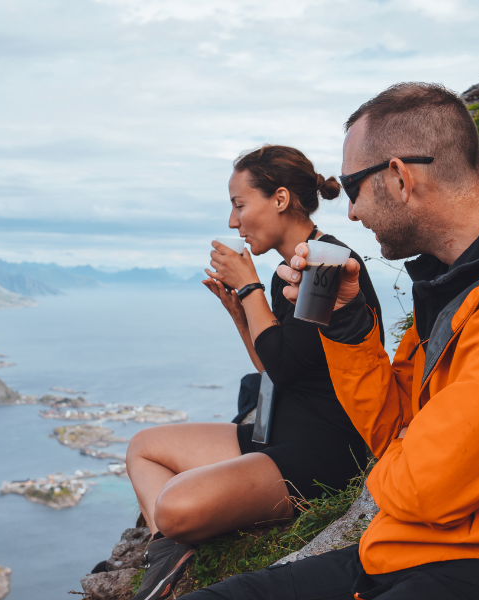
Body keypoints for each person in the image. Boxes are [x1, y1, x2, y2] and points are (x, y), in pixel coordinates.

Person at [182, 84, 479, 600]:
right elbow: (393, 431)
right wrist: (349, 328)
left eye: (352, 188)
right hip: (426, 547)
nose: (349, 213)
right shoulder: (457, 286)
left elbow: (423, 488)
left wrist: (403, 453)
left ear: (399, 177)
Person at [125, 144, 385, 600]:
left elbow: (283, 369)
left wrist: (248, 287)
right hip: (277, 429)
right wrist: (240, 313)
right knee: (143, 448)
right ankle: (165, 555)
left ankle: (170, 541)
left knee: (173, 507)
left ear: (280, 199)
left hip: (319, 452)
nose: (233, 221)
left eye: (239, 205)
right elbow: (272, 365)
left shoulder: (327, 264)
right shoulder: (291, 266)